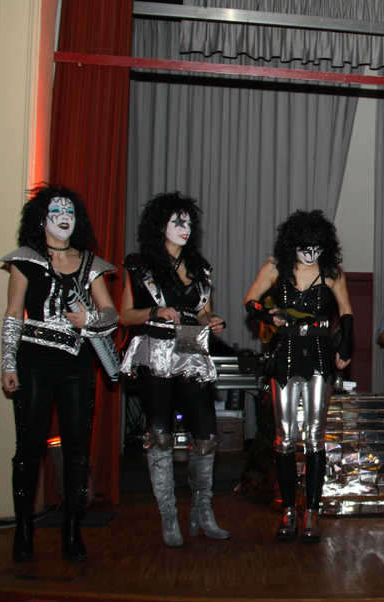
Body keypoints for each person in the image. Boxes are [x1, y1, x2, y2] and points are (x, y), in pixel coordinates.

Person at [1, 185, 118, 563]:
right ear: (42, 219)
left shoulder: (90, 264)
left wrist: (90, 319)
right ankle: (23, 531)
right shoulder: (26, 259)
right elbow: (13, 313)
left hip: (76, 363)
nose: (64, 217)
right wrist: (8, 363)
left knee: (77, 449)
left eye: (70, 211)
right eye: (56, 211)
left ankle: (72, 530)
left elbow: (111, 313)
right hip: (34, 361)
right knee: (29, 447)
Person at [119, 192, 230, 548]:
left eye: (188, 222)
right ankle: (169, 516)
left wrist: (212, 321)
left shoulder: (201, 267)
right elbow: (124, 315)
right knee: (160, 434)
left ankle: (202, 512)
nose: (185, 227)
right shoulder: (140, 266)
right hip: (155, 353)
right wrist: (154, 312)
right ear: (160, 226)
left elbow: (203, 313)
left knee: (206, 435)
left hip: (190, 350)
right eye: (177, 221)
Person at [244, 210, 353, 543]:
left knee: (315, 436)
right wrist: (268, 314)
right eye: (305, 247)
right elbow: (250, 300)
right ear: (293, 244)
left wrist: (345, 347)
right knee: (285, 437)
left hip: (319, 355)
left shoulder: (331, 272)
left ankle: (312, 512)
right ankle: (289, 510)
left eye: (317, 247)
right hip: (286, 354)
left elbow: (346, 311)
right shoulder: (276, 268)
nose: (311, 254)